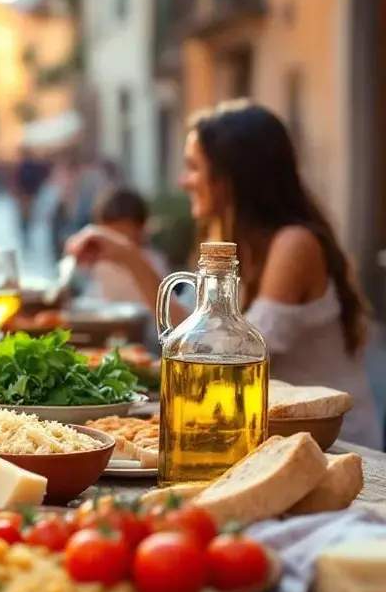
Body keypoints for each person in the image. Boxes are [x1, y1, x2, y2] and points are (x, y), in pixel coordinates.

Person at [66, 100, 381, 448]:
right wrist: (128, 257)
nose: (183, 181)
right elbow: (195, 330)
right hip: (262, 432)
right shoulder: (229, 240)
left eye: (193, 167)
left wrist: (129, 256)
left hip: (332, 443)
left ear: (230, 178)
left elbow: (228, 351)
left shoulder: (295, 244)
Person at [83, 186, 169, 305]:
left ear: (140, 228)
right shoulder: (99, 266)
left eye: (122, 236)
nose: (116, 243)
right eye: (109, 236)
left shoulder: (153, 263)